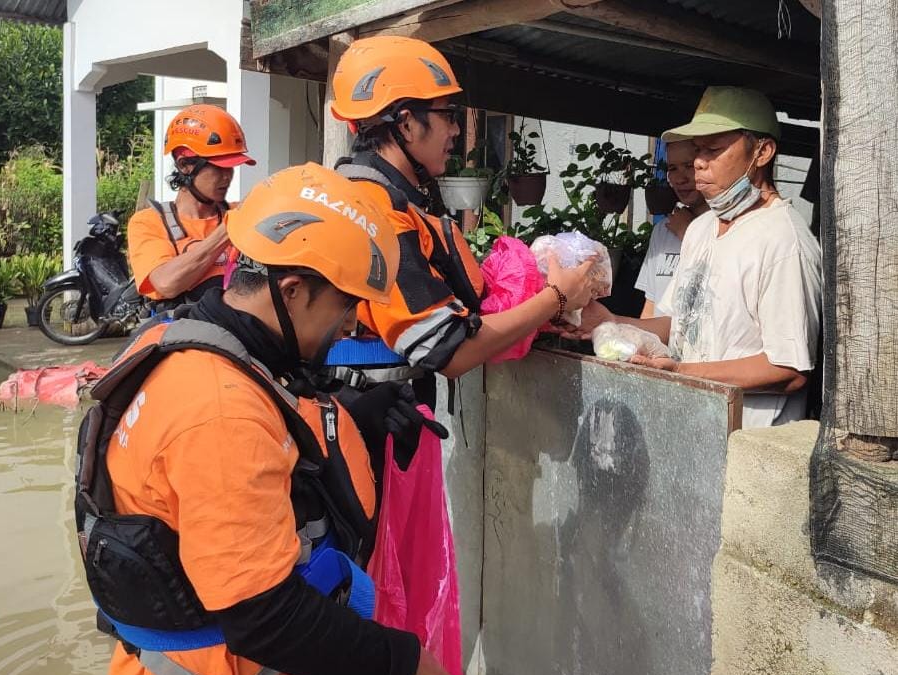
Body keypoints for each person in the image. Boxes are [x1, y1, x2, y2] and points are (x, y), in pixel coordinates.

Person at [76, 163, 469, 675]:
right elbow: (264, 616)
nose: (353, 324)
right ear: (292, 290)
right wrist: (398, 666)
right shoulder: (220, 413)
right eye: (346, 304)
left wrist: (359, 418)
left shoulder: (190, 341)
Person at [328, 35, 599, 402]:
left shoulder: (375, 197)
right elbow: (449, 350)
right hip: (370, 424)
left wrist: (539, 312)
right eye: (447, 115)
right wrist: (556, 297)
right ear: (405, 124)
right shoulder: (378, 215)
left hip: (374, 412)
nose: (455, 130)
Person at [577, 86, 822, 428]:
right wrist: (611, 322)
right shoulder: (701, 229)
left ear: (762, 152)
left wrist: (682, 373)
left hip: (746, 450)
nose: (699, 163)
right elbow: (677, 324)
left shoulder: (783, 241)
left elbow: (788, 369)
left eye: (713, 149)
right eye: (697, 151)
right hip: (692, 433)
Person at [126, 104, 255, 305]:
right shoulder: (149, 222)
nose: (227, 176)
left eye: (230, 168)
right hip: (188, 330)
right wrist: (228, 230)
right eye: (218, 167)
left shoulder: (241, 212)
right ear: (184, 165)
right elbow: (166, 283)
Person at [634, 139, 709, 318]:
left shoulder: (723, 227)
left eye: (688, 166)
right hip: (658, 345)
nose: (680, 178)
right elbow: (651, 306)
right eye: (672, 168)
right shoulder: (663, 230)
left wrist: (688, 233)